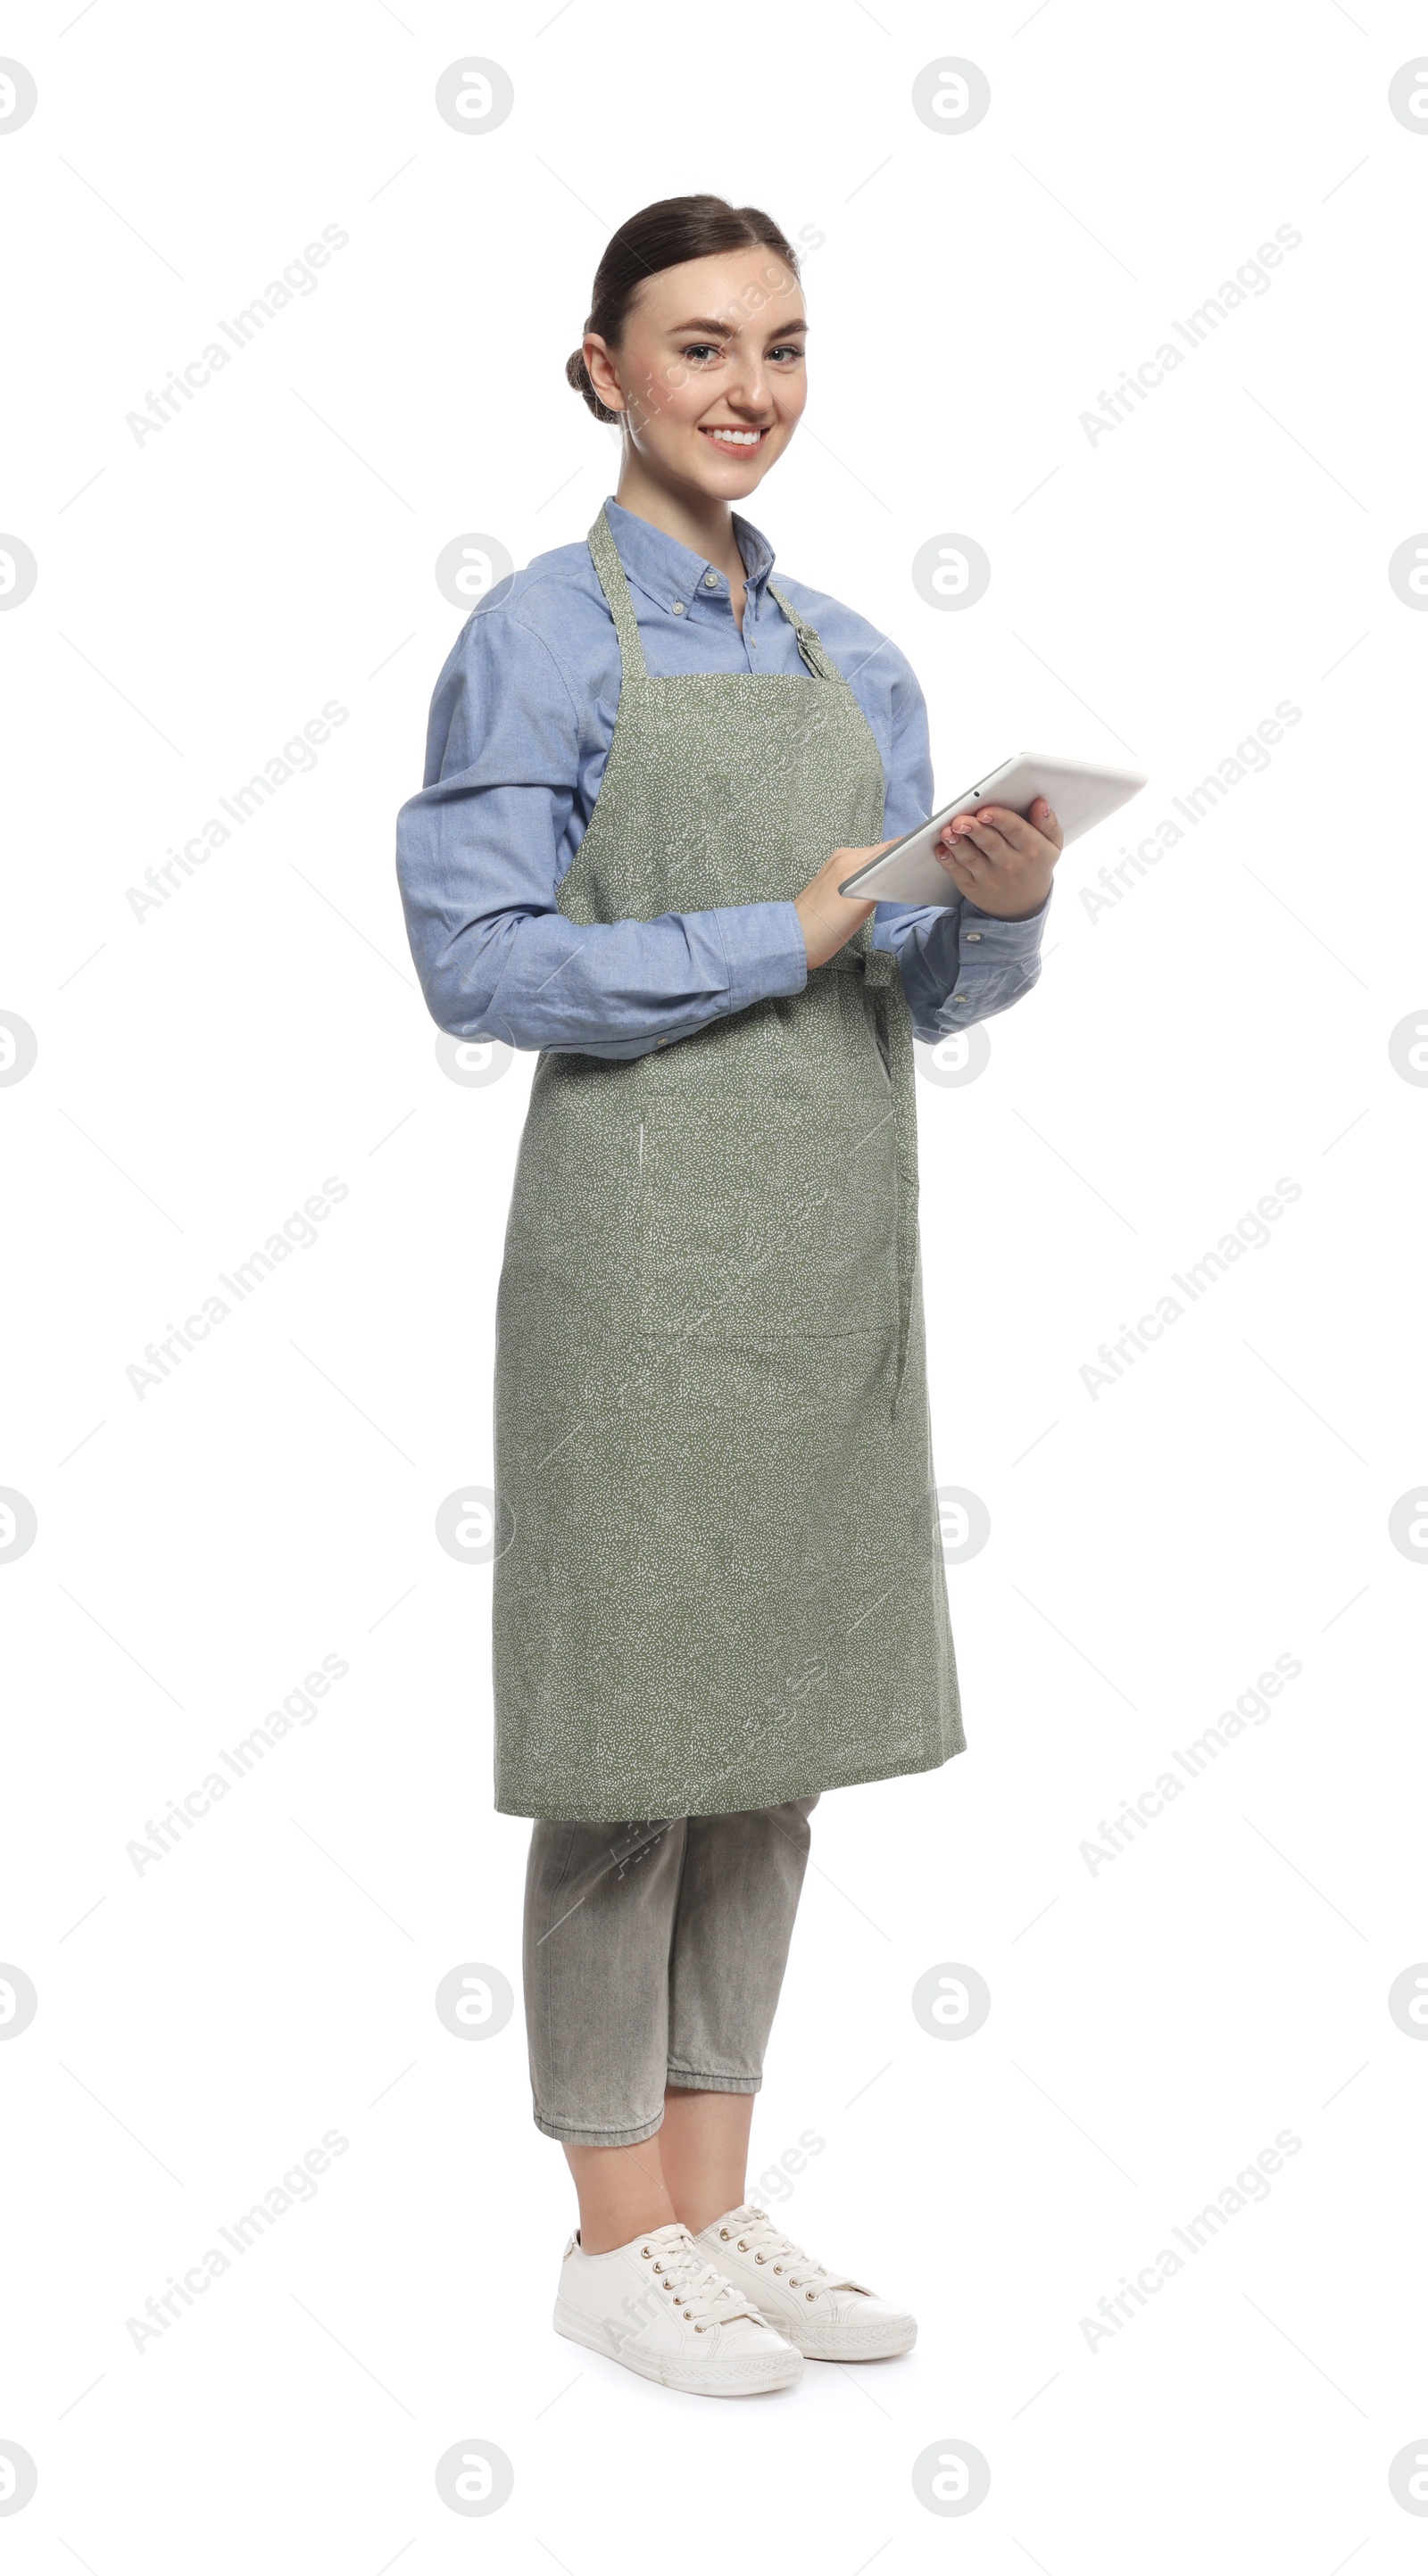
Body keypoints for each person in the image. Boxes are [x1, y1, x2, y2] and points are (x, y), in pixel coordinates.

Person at [395, 194, 1060, 2398]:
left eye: (781, 347)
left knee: (768, 1753)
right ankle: (606, 2235)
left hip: (829, 1243)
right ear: (601, 368)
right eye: (696, 347)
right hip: (633, 1247)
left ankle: (709, 2194)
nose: (746, 389)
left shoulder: (856, 656)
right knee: (634, 1749)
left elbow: (920, 984)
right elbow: (473, 964)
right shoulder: (537, 635)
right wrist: (759, 936)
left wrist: (1001, 905)